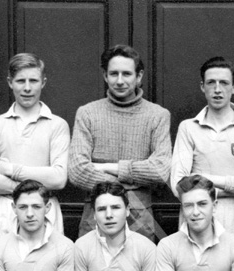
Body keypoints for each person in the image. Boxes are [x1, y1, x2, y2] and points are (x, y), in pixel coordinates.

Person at [68, 44, 172, 241]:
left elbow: (160, 170)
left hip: (140, 216)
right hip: (96, 214)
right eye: (114, 74)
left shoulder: (157, 115)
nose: (120, 81)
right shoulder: (87, 113)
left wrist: (109, 167)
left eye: (127, 74)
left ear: (139, 76)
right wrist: (128, 184)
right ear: (105, 76)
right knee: (95, 269)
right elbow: (77, 171)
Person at [170, 56, 234, 239]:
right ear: (202, 87)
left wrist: (203, 179)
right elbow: (178, 185)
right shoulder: (188, 127)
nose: (217, 90)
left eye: (224, 83)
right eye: (211, 83)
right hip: (198, 218)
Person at [0, 53, 70, 239]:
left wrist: (11, 169)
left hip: (43, 208)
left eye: (33, 81)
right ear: (10, 82)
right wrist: (30, 188)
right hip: (4, 210)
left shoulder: (57, 125)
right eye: (21, 81)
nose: (27, 88)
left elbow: (58, 178)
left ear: (43, 82)